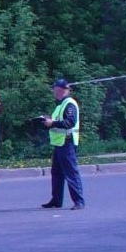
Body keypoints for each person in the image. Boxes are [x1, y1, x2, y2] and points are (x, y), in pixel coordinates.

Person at [40, 78, 85, 210]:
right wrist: (47, 121)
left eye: (54, 89)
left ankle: (79, 201)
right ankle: (56, 200)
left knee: (71, 172)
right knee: (57, 173)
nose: (53, 91)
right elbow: (58, 122)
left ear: (60, 90)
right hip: (60, 143)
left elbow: (69, 122)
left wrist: (52, 123)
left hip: (67, 142)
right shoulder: (60, 105)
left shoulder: (69, 104)